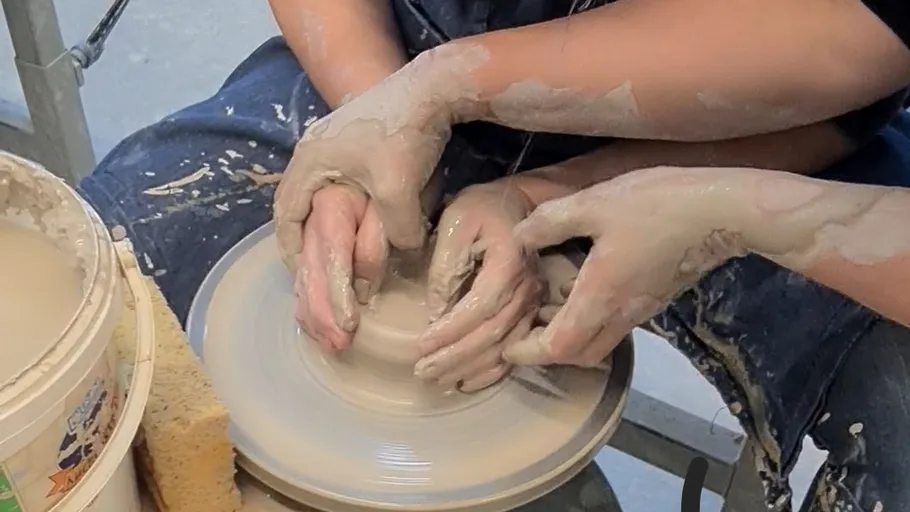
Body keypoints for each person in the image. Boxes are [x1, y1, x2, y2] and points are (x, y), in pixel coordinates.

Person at [75, 0, 910, 511]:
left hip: (761, 125)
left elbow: (853, 44)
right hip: (400, 43)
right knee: (85, 294)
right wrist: (374, 114)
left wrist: (557, 195)